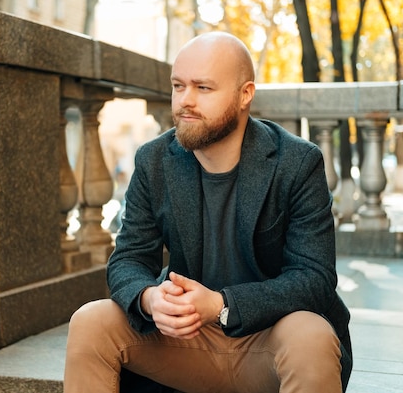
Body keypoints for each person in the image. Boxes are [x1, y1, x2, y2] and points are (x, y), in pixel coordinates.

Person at [64, 31, 352, 393]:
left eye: (203, 88)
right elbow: (128, 260)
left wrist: (219, 304)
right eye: (178, 86)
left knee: (311, 334)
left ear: (245, 94)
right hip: (186, 340)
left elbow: (314, 279)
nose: (185, 101)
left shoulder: (296, 162)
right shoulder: (154, 160)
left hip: (269, 342)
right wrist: (150, 299)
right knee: (91, 321)